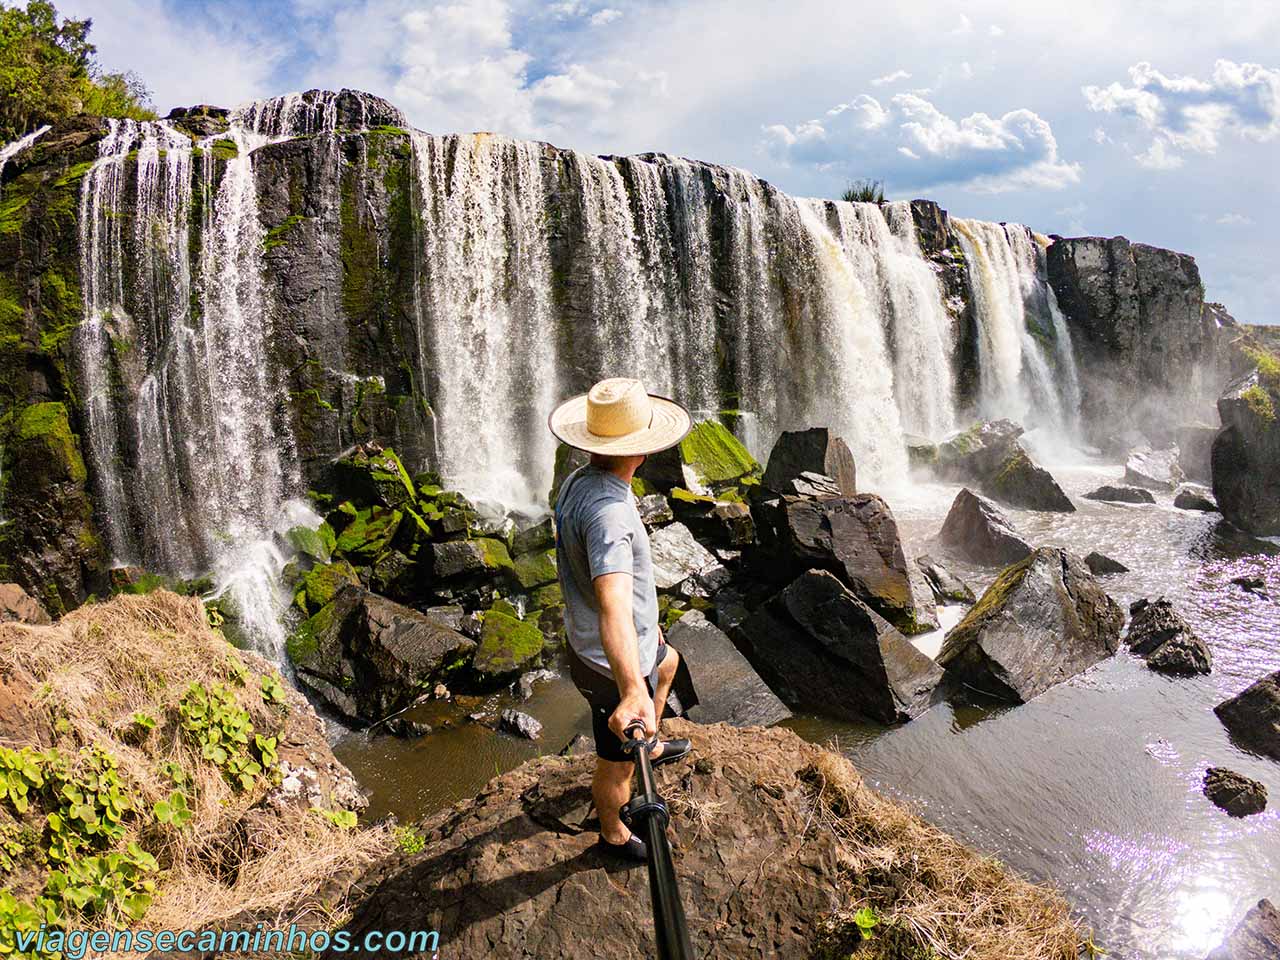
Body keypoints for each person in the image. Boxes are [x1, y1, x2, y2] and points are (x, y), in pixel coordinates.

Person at [549, 377, 694, 861]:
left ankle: (650, 743)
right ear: (643, 450)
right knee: (617, 768)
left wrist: (645, 628)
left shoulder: (580, 480)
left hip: (607, 640)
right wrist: (631, 691)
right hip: (609, 661)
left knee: (669, 660)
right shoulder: (610, 515)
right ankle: (612, 831)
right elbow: (612, 603)